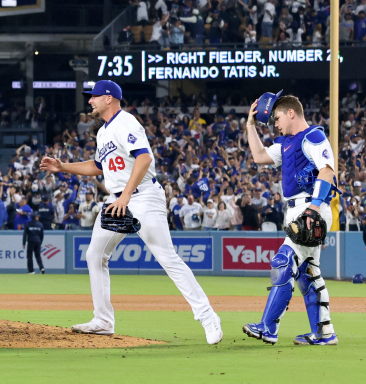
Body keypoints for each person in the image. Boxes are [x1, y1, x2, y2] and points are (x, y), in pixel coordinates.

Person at [40, 80, 222, 344]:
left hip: (143, 196)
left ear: (109, 98)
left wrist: (125, 196)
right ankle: (102, 320)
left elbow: (144, 158)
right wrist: (63, 167)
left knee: (166, 257)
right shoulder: (103, 132)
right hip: (117, 200)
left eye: (93, 96)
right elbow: (99, 165)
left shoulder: (126, 122)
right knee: (94, 255)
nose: (89, 101)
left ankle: (208, 316)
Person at [243, 91, 338, 345]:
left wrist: (314, 208)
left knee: (283, 262)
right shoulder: (287, 143)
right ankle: (324, 332)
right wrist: (250, 125)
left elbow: (328, 170)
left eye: (277, 117)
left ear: (291, 113)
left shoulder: (313, 136)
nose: (275, 123)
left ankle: (268, 327)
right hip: (298, 209)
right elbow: (259, 157)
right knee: (307, 273)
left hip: (311, 207)